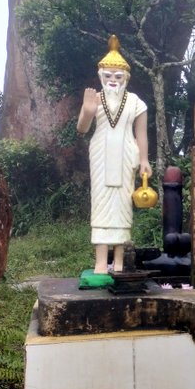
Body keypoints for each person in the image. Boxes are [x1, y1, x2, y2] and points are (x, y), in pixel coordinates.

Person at [77, 35, 152, 274]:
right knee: (100, 204)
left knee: (122, 205)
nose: (112, 80)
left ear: (126, 79)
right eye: (107, 76)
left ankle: (118, 261)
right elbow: (81, 129)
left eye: (117, 77)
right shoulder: (95, 99)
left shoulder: (135, 102)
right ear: (100, 76)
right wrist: (88, 111)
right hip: (100, 154)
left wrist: (144, 160)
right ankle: (100, 262)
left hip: (126, 156)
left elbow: (141, 134)